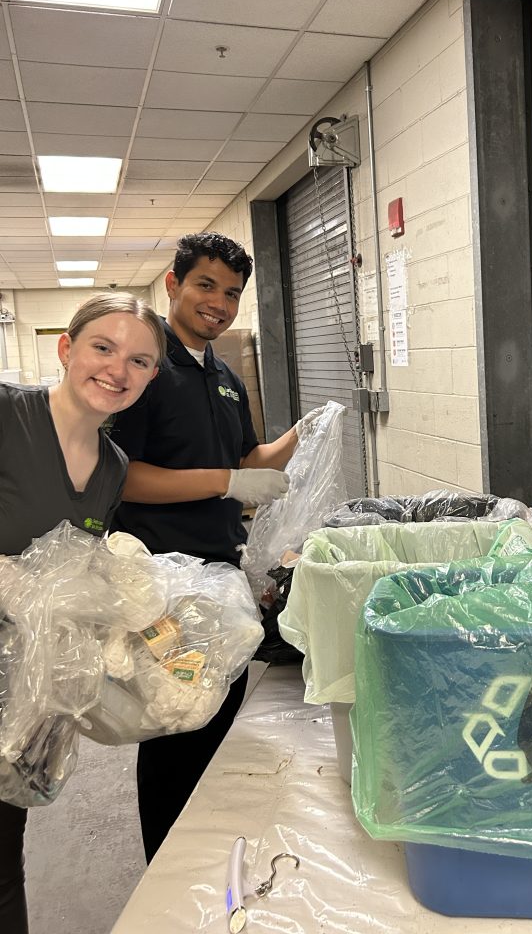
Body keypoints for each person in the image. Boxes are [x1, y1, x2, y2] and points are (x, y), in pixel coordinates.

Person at [109, 231, 316, 862]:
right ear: (172, 284)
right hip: (162, 586)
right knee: (176, 724)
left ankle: (198, 866)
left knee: (214, 719)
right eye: (205, 286)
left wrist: (301, 437)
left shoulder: (222, 374)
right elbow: (120, 472)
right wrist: (229, 481)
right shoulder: (144, 367)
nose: (219, 304)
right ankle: (166, 869)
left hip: (217, 579)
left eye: (231, 294)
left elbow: (245, 458)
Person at [0, 292, 166, 934]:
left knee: (2, 855)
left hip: (26, 693)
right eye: (104, 347)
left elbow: (79, 572)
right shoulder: (8, 415)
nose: (118, 370)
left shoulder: (113, 468)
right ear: (67, 349)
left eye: (141, 361)